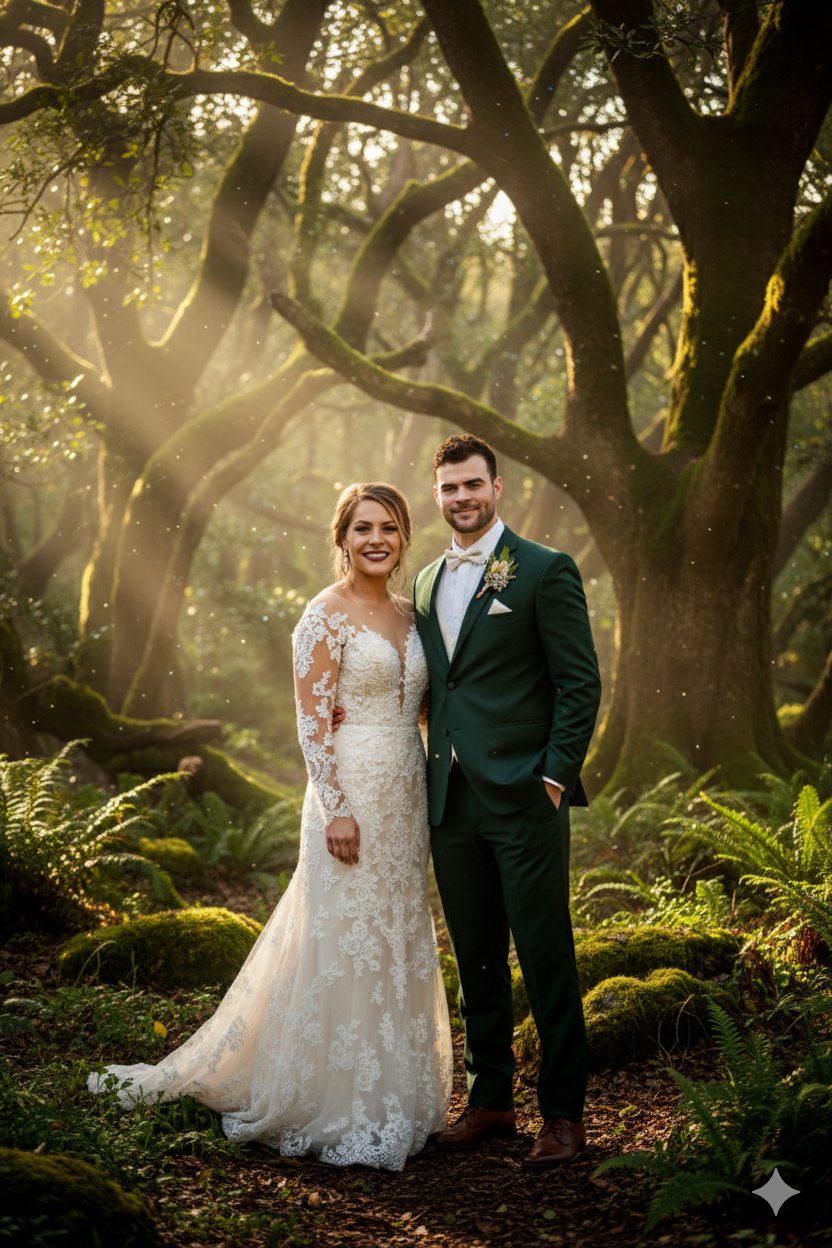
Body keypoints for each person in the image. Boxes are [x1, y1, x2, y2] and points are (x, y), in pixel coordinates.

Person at [88, 483, 453, 1171]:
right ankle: (334, 1097)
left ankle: (395, 1093)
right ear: (342, 537)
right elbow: (311, 728)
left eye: (391, 528)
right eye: (363, 528)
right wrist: (337, 807)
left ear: (405, 538)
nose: (377, 539)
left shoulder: (412, 618)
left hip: (406, 794)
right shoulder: (323, 615)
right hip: (348, 796)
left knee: (395, 930)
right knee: (340, 936)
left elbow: (425, 703)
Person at [414, 433, 601, 1167]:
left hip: (525, 797)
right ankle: (492, 1100)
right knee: (476, 955)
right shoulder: (426, 581)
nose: (460, 497)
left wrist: (553, 778)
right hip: (451, 801)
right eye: (448, 488)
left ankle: (562, 1113)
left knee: (545, 952)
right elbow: (439, 686)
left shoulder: (544, 571)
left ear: (498, 488)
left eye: (472, 485)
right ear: (438, 497)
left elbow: (578, 682)